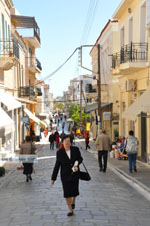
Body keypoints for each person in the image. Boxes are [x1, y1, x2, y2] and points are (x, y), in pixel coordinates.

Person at [51, 135, 83, 216]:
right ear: (62, 142)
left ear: (70, 142)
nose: (67, 142)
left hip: (75, 173)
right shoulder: (60, 152)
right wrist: (53, 178)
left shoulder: (75, 150)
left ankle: (73, 200)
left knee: (74, 191)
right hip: (65, 176)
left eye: (68, 141)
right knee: (67, 192)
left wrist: (77, 163)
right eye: (65, 141)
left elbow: (80, 158)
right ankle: (70, 209)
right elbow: (57, 166)